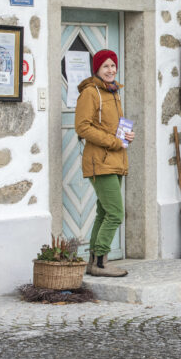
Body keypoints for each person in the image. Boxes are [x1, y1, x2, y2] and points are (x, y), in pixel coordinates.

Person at [75, 49, 135, 278]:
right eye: (105, 67)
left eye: (113, 66)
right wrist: (113, 141)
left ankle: (94, 262)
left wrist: (126, 136)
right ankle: (101, 262)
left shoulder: (113, 92)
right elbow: (82, 127)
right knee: (116, 213)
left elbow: (112, 126)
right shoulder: (90, 93)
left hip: (115, 157)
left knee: (104, 211)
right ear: (97, 69)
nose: (110, 70)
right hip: (99, 160)